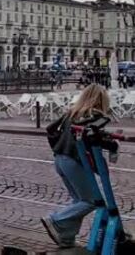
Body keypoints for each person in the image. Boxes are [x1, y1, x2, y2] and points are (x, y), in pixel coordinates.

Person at [42, 84, 111, 248]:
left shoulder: (72, 112)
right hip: (74, 160)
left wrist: (59, 145)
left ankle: (66, 238)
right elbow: (93, 139)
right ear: (102, 100)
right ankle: (56, 219)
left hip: (59, 158)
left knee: (79, 200)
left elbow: (50, 128)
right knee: (92, 201)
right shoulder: (95, 116)